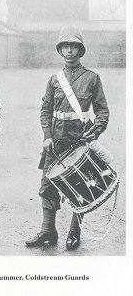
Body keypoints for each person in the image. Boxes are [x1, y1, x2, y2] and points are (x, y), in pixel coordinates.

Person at [25, 26, 109, 251]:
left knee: (80, 187)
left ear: (80, 50)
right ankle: (47, 231)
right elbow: (45, 110)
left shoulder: (92, 78)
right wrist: (47, 136)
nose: (69, 50)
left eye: (73, 46)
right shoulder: (54, 80)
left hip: (79, 143)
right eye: (65, 46)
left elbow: (102, 112)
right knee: (47, 185)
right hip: (55, 142)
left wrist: (96, 130)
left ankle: (75, 231)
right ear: (60, 51)